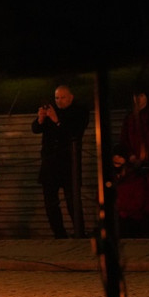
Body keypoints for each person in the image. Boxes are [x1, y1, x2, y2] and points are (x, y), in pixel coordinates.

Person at [32, 85, 90, 238]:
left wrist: (57, 120)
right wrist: (41, 119)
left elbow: (74, 133)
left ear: (71, 97)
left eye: (63, 97)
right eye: (57, 98)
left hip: (68, 163)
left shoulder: (80, 111)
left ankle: (80, 233)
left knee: (73, 201)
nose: (59, 101)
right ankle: (59, 233)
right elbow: (36, 128)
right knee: (50, 202)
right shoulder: (51, 110)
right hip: (50, 164)